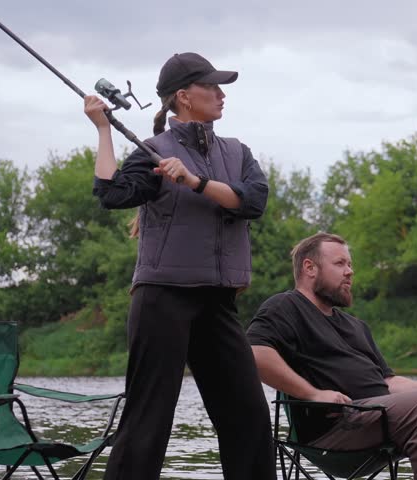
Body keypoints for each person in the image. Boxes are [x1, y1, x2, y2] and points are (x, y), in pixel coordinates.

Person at [84, 52, 275, 480]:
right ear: (185, 97)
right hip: (163, 300)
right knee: (148, 421)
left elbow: (253, 201)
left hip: (218, 303)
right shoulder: (154, 152)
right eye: (213, 87)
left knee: (249, 417)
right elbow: (112, 194)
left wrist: (195, 181)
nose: (222, 95)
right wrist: (103, 130)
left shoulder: (237, 152)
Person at [246, 232, 417, 480]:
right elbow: (254, 354)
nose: (350, 271)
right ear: (309, 268)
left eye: (350, 264)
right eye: (340, 264)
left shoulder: (356, 326)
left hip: (381, 417)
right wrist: (312, 393)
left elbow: (388, 383)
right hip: (337, 427)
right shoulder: (286, 307)